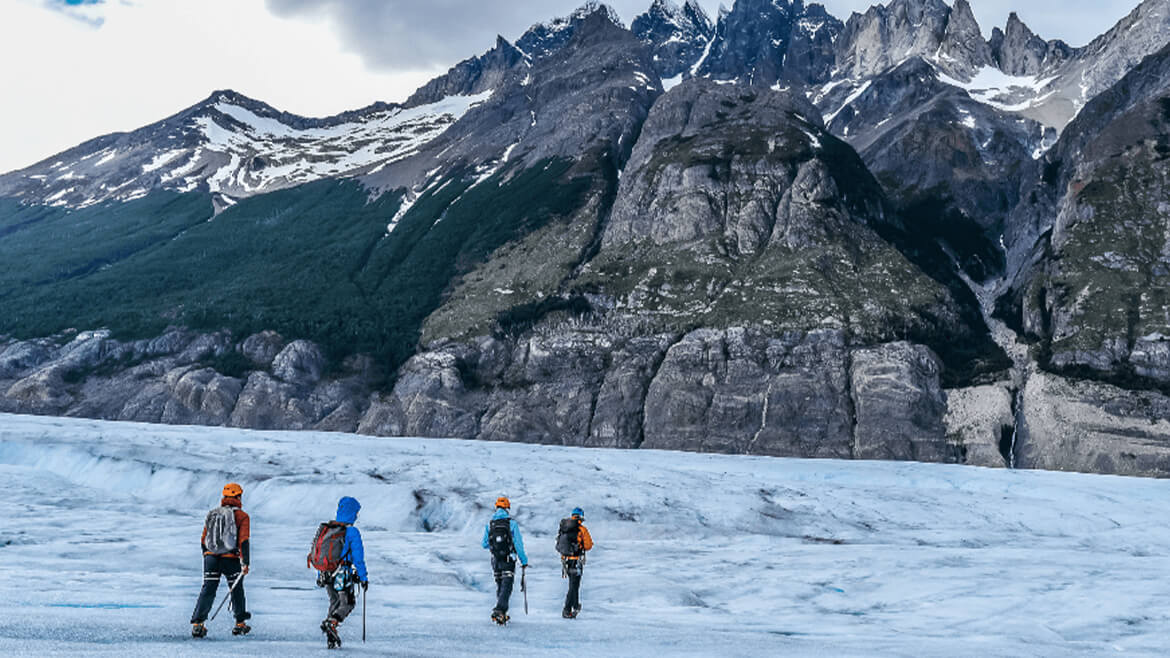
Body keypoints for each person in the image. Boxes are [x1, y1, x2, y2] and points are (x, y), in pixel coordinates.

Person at [190, 482, 252, 637]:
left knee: (208, 589)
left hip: (211, 558)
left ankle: (198, 624)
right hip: (231, 559)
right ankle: (240, 624)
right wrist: (245, 563)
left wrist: (207, 555)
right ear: (238, 496)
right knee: (236, 590)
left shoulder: (213, 513)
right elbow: (243, 541)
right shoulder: (242, 516)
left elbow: (204, 538)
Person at [315, 496, 369, 649]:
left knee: (334, 602)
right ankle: (332, 624)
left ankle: (330, 637)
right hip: (342, 574)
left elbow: (322, 554)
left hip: (327, 573)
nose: (357, 515)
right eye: (356, 512)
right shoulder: (351, 532)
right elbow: (358, 558)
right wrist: (363, 577)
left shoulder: (329, 529)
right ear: (352, 512)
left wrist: (320, 575)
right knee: (347, 603)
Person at [481, 496, 528, 625]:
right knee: (507, 586)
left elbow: (484, 544)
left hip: (495, 560)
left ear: (496, 507)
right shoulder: (511, 524)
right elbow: (518, 544)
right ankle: (500, 610)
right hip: (508, 558)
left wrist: (495, 545)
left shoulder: (490, 524)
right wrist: (524, 561)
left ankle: (501, 613)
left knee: (500, 586)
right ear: (507, 508)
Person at [557, 507, 593, 619]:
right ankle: (567, 609)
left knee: (573, 584)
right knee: (574, 585)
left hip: (566, 560)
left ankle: (575, 605)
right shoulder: (582, 529)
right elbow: (588, 545)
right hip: (576, 560)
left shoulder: (564, 527)